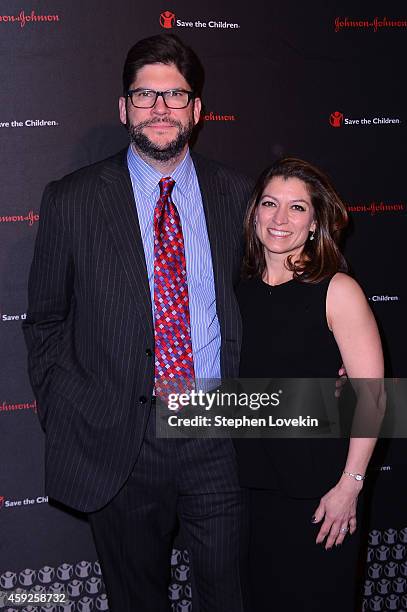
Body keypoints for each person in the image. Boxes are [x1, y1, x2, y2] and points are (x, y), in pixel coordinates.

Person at [22, 34, 253, 612]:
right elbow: (46, 320)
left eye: (175, 96)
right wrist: (70, 410)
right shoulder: (72, 200)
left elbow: (270, 303)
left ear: (197, 111)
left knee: (231, 597)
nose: (160, 108)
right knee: (136, 600)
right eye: (145, 94)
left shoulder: (240, 196)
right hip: (120, 441)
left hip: (218, 429)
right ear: (123, 108)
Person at [234, 158, 384, 611]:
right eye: (270, 204)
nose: (280, 219)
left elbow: (372, 397)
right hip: (246, 494)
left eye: (297, 208)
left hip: (320, 496)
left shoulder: (337, 289)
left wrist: (350, 486)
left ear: (316, 221)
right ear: (254, 213)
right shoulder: (235, 288)